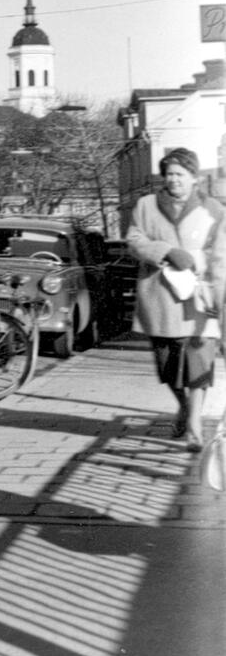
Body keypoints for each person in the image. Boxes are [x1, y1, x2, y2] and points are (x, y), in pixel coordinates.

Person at [126, 147, 226, 451]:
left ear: (194, 177)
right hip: (160, 296)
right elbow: (134, 240)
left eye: (180, 174)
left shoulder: (213, 209)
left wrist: (216, 292)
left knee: (198, 361)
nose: (173, 180)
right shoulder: (146, 205)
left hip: (199, 296)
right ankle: (183, 406)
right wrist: (166, 251)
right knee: (167, 365)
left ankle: (194, 424)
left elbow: (220, 255)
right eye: (169, 174)